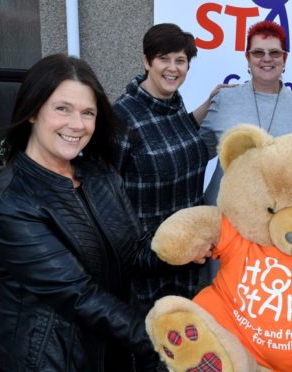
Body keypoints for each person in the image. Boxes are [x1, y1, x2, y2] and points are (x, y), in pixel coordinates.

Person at [0, 54, 166, 371]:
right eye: (62, 109)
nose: (77, 125)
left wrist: (193, 245)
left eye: (88, 113)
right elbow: (78, 295)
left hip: (112, 347)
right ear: (32, 111)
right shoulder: (11, 202)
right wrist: (160, 339)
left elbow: (135, 249)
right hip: (51, 360)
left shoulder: (98, 173)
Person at [113, 23, 220, 314]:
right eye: (164, 58)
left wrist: (211, 103)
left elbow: (175, 133)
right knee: (144, 343)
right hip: (147, 260)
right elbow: (107, 195)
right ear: (147, 61)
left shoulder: (172, 103)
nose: (172, 68)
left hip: (185, 253)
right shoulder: (123, 117)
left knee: (177, 339)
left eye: (181, 60)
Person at [200, 20, 292, 206]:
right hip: (221, 219)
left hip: (275, 225)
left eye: (274, 52)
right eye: (258, 52)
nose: (266, 58)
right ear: (248, 57)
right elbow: (195, 156)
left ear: (284, 58)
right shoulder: (224, 100)